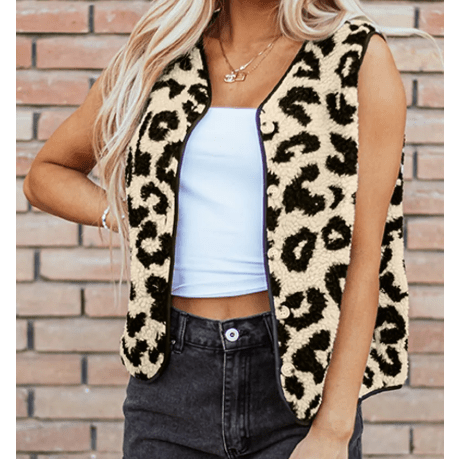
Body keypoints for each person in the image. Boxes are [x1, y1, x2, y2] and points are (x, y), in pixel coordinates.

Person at [23, 1, 441, 458]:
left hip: (298, 388)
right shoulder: (160, 52)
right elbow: (46, 175)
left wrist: (333, 430)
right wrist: (132, 213)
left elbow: (366, 255)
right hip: (171, 382)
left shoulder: (355, 56)